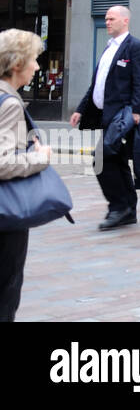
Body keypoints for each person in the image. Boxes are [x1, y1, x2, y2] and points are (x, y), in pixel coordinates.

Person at [69, 5, 140, 231]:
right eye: (105, 19)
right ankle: (127, 210)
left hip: (122, 117)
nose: (107, 22)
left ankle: (118, 207)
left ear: (125, 21)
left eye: (111, 19)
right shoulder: (108, 48)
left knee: (101, 160)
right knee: (116, 161)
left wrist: (136, 111)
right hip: (106, 117)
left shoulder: (136, 47)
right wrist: (81, 109)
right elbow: (97, 84)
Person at [0, 29, 52, 322]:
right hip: (6, 216)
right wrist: (39, 159)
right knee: (6, 294)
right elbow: (2, 163)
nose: (37, 67)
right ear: (17, 64)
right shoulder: (8, 104)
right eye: (33, 60)